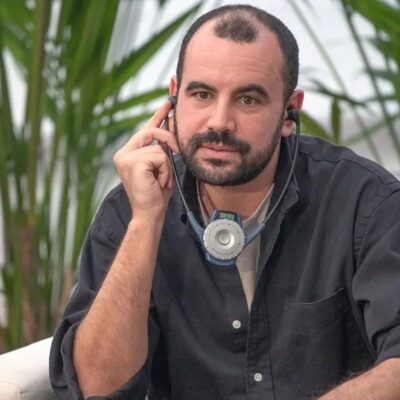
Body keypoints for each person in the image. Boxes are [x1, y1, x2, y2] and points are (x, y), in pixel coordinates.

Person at [49, 4, 400, 400]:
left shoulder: (365, 203)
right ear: (173, 99)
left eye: (247, 100)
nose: (219, 121)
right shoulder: (131, 208)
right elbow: (95, 389)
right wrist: (145, 223)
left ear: (290, 112)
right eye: (201, 94)